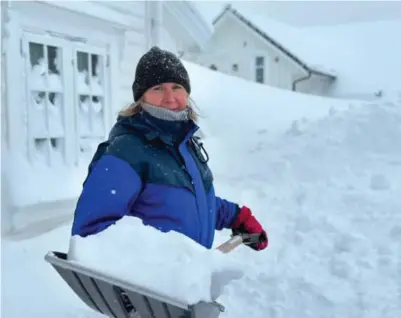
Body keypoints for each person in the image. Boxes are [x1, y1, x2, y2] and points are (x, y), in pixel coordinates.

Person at [71, 46, 268, 251]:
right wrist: (154, 267)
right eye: (158, 88)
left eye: (176, 87)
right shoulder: (127, 150)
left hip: (188, 279)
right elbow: (90, 233)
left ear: (187, 92)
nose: (169, 97)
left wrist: (237, 217)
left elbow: (190, 203)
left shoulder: (184, 144)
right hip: (153, 280)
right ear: (142, 97)